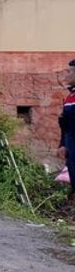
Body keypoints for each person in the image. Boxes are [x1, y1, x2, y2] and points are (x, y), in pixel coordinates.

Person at [57, 59, 75, 202]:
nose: (66, 75)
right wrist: (62, 144)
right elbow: (65, 124)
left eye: (69, 72)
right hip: (70, 146)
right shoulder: (70, 97)